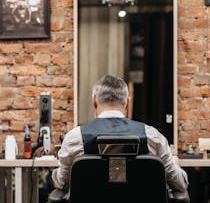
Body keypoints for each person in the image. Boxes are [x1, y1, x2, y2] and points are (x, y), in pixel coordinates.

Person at [52, 74, 188, 195]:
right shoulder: (152, 137)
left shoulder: (74, 137)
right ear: (127, 102)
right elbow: (180, 184)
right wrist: (175, 164)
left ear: (94, 100)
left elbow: (62, 183)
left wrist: (54, 174)